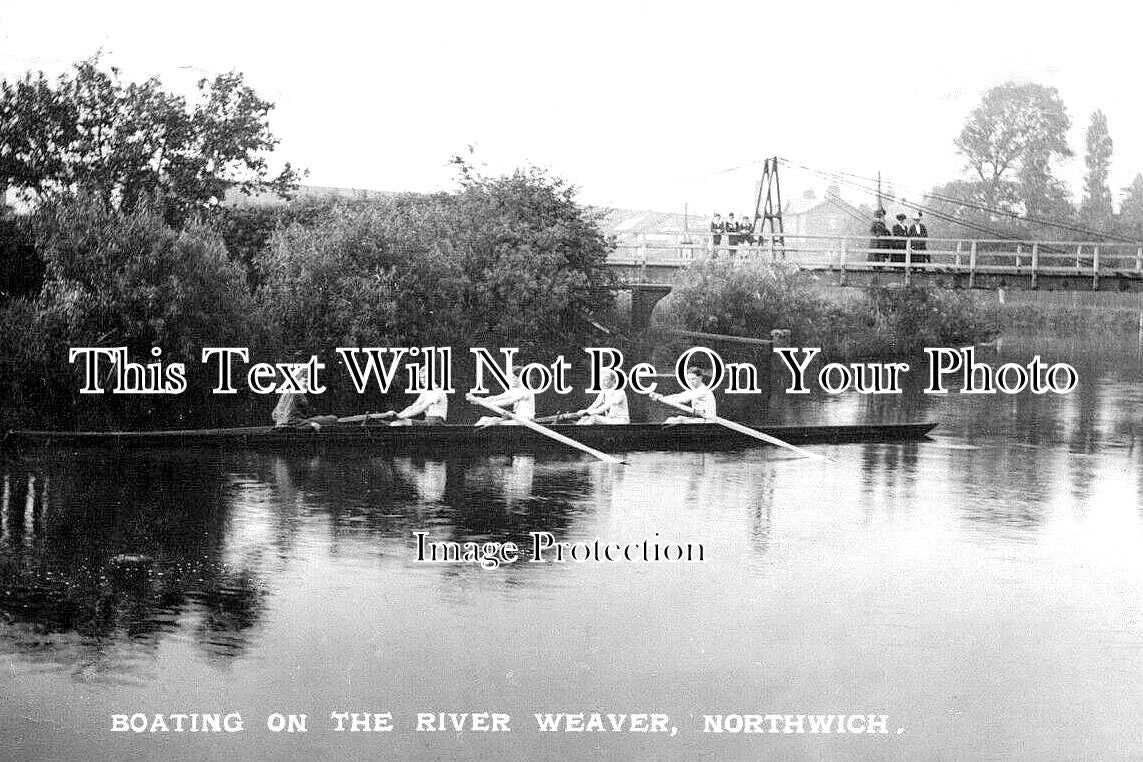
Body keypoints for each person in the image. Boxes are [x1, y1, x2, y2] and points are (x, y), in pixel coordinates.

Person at [468, 369, 536, 427]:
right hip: (520, 421)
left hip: (524, 423)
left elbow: (504, 401)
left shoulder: (524, 390)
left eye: (512, 378)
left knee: (489, 421)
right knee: (484, 419)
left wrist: (477, 400)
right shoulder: (517, 390)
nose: (510, 380)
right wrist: (478, 400)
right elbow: (495, 398)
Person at [650, 366, 716, 424]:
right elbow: (679, 395)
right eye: (689, 380)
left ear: (700, 378)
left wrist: (661, 398)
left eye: (693, 379)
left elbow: (683, 398)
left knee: (677, 420)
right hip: (701, 419)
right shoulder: (695, 390)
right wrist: (662, 397)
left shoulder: (702, 390)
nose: (691, 382)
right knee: (671, 420)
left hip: (708, 422)